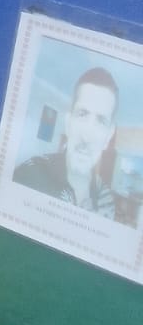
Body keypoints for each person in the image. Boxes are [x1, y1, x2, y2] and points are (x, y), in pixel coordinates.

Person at [13, 67, 119, 218]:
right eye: (82, 114)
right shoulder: (28, 174)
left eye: (101, 121)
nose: (87, 136)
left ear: (108, 137)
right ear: (68, 124)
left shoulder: (106, 199)